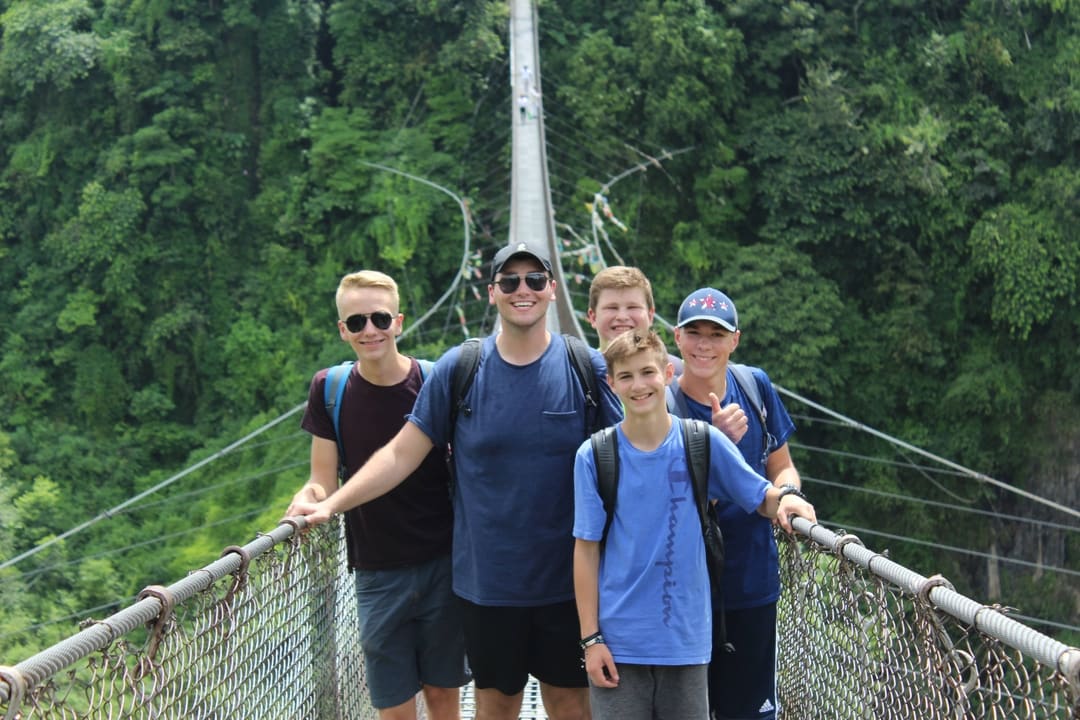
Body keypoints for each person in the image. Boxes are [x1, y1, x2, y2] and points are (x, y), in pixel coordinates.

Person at [288, 243, 624, 720]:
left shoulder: (584, 366)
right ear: (492, 293)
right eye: (509, 281)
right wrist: (331, 504)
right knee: (495, 707)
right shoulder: (459, 370)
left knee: (570, 706)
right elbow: (403, 452)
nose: (521, 290)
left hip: (567, 585)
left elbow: (639, 441)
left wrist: (716, 447)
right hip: (486, 587)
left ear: (553, 290)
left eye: (534, 280)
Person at [572, 329, 816, 720]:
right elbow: (585, 550)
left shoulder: (699, 442)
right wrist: (591, 639)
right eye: (626, 376)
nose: (639, 385)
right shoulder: (594, 456)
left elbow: (759, 495)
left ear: (668, 374)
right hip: (619, 644)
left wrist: (789, 498)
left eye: (648, 372)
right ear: (610, 383)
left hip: (685, 642)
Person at [287, 270, 469, 720]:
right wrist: (307, 498)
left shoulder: (434, 382)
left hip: (444, 565)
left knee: (444, 697)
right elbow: (322, 479)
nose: (369, 330)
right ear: (342, 330)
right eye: (356, 322)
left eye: (380, 318)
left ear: (399, 322)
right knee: (393, 707)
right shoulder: (329, 390)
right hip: (376, 571)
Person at [671, 287, 807, 720]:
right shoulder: (663, 408)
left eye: (717, 333)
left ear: (735, 340)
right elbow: (666, 508)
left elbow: (781, 467)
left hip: (751, 582)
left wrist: (789, 495)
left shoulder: (754, 387)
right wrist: (716, 446)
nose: (704, 345)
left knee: (750, 713)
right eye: (694, 332)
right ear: (677, 338)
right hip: (683, 592)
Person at [586, 265, 683, 374]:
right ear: (593, 317)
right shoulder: (577, 374)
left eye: (633, 307)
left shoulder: (678, 373)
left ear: (650, 316)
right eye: (612, 308)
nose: (622, 317)